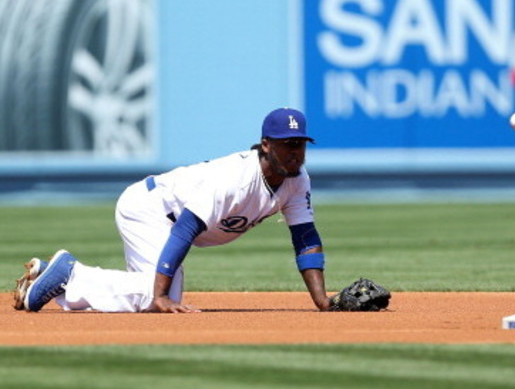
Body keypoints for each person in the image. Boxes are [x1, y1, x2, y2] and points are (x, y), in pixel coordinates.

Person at [13, 107, 333, 313]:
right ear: (266, 144)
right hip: (148, 209)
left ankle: (56, 274)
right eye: (287, 144)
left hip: (166, 216)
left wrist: (322, 301)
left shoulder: (296, 180)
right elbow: (185, 229)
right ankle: (70, 274)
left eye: (300, 144)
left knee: (150, 291)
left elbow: (306, 238)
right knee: (155, 298)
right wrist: (163, 295)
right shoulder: (234, 180)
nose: (295, 152)